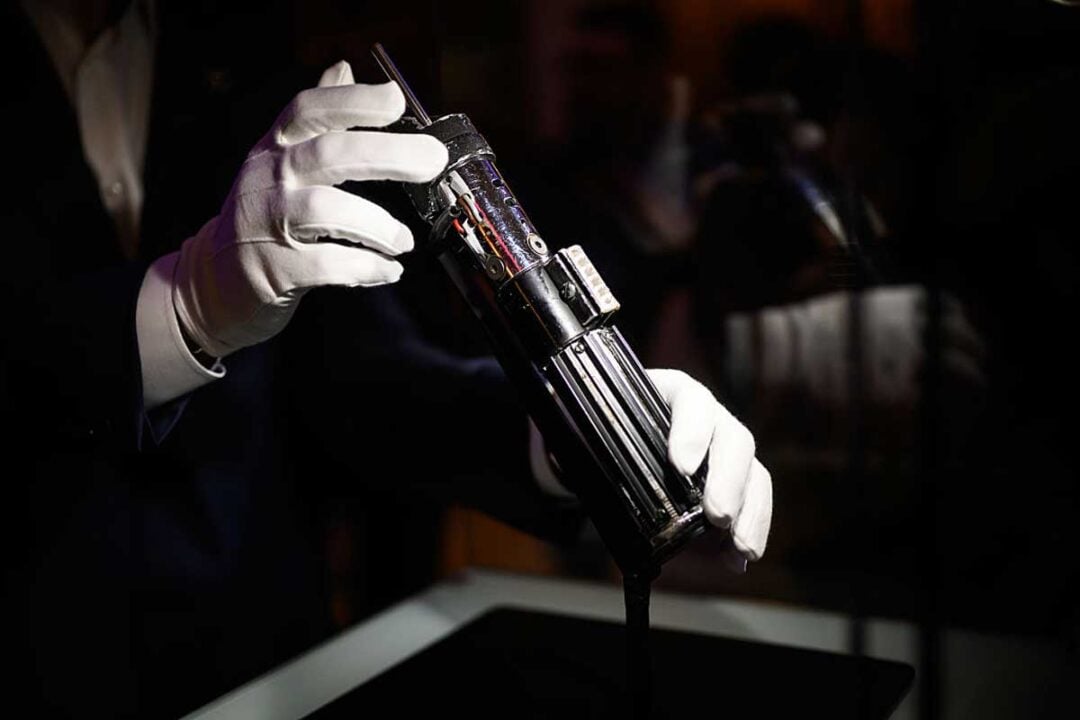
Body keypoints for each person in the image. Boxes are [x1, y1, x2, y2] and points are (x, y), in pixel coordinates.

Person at [0, 1, 773, 716]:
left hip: (269, 668)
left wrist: (575, 423)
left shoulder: (234, 44)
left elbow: (366, 385)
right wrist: (181, 303)